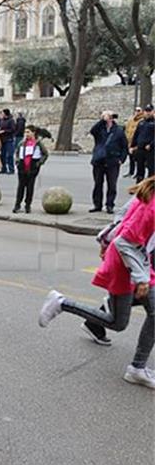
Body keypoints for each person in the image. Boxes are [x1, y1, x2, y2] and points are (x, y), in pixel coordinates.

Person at [39, 176, 155, 389]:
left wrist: (105, 239)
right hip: (126, 266)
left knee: (143, 314)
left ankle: (137, 368)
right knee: (118, 323)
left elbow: (123, 217)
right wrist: (140, 277)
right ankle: (62, 303)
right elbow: (124, 241)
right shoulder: (152, 206)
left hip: (138, 263)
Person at [89, 111, 128, 214]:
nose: (109, 118)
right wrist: (102, 120)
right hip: (99, 160)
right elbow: (92, 131)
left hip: (113, 161)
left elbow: (124, 146)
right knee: (98, 183)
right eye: (107, 117)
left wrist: (121, 160)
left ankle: (110, 205)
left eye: (110, 117)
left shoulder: (119, 130)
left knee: (112, 185)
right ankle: (97, 204)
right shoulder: (99, 129)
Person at [12, 125, 49, 213]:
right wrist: (17, 162)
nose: (26, 134)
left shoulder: (38, 143)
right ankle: (17, 204)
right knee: (21, 186)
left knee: (30, 187)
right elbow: (17, 153)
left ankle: (27, 205)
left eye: (28, 132)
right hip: (22, 166)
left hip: (33, 167)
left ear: (33, 133)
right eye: (25, 132)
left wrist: (39, 163)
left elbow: (45, 154)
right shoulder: (22, 143)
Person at [131, 104, 155, 183]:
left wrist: (151, 144)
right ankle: (139, 188)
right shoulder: (141, 123)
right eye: (146, 111)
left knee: (151, 170)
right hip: (140, 149)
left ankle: (150, 189)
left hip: (150, 150)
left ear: (153, 112)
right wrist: (132, 146)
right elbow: (136, 134)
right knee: (140, 170)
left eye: (150, 111)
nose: (148, 113)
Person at [124, 107, 144, 178]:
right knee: (131, 157)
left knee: (138, 158)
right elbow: (127, 129)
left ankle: (138, 173)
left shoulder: (142, 120)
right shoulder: (131, 119)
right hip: (130, 140)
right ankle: (131, 172)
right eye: (136, 110)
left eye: (138, 110)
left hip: (137, 141)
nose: (137, 112)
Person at [0, 109, 16, 174]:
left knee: (9, 155)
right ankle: (3, 168)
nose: (1, 115)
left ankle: (11, 169)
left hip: (9, 139)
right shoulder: (1, 121)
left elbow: (13, 129)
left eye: (2, 113)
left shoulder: (11, 120)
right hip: (2, 140)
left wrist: (5, 131)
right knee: (2, 155)